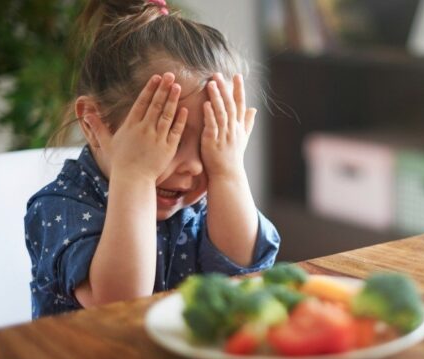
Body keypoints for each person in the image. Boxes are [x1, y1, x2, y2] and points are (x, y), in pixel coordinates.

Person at [24, 0, 280, 318]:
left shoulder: (202, 197)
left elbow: (244, 271)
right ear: (93, 123)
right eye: (166, 139)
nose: (194, 166)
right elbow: (119, 304)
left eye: (208, 143)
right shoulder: (62, 206)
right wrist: (135, 176)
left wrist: (227, 171)